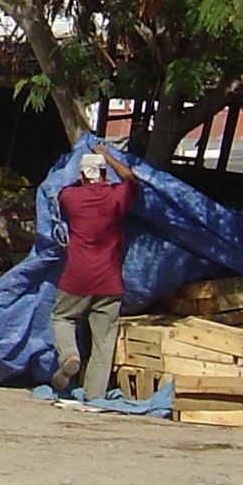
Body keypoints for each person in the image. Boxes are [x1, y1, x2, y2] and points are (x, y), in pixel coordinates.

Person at [55, 140, 139, 404]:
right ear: (105, 174)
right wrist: (107, 156)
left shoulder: (71, 197)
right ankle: (95, 395)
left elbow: (60, 187)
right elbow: (131, 178)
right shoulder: (116, 196)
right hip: (109, 281)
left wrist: (82, 164)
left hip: (77, 276)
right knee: (104, 342)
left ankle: (70, 354)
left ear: (82, 176)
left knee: (62, 318)